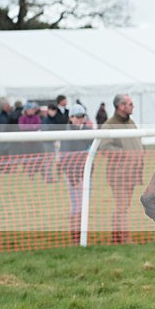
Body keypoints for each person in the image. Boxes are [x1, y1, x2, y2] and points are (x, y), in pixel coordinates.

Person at [99, 94, 144, 244]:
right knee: (122, 206)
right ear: (121, 106)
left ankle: (117, 237)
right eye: (130, 104)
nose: (133, 106)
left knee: (124, 206)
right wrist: (125, 154)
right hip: (119, 174)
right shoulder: (109, 125)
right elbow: (104, 148)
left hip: (132, 172)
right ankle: (123, 238)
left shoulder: (131, 122)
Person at [58, 104, 92, 244]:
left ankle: (82, 235)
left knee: (84, 206)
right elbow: (65, 158)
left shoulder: (88, 131)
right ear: (70, 118)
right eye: (76, 116)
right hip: (74, 176)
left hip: (86, 175)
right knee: (76, 207)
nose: (79, 119)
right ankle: (75, 237)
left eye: (82, 116)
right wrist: (73, 178)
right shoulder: (67, 134)